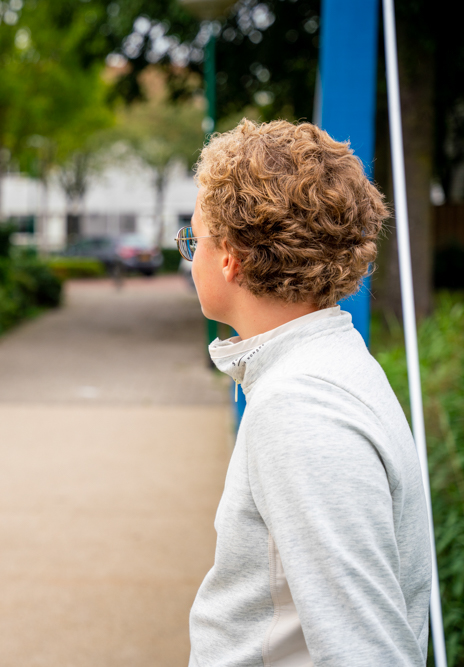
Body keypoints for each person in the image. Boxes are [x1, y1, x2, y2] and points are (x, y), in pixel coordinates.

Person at [181, 119, 431, 665]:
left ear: (228, 255)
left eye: (193, 240)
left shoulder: (301, 409)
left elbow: (367, 650)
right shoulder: (329, 365)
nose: (190, 256)